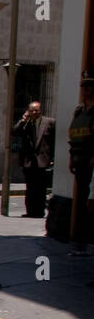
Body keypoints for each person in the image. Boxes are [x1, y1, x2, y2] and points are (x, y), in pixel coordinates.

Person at [13, 101, 56, 219]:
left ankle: (39, 211)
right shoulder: (26, 123)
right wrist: (23, 119)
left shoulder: (50, 122)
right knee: (30, 188)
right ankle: (30, 211)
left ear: (41, 110)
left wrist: (52, 158)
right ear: (28, 111)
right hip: (29, 162)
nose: (34, 112)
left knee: (41, 188)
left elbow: (53, 141)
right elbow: (15, 132)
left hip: (43, 161)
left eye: (36, 110)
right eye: (32, 110)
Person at [68, 76, 94, 256]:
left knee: (89, 202)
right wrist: (71, 158)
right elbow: (72, 135)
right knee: (82, 200)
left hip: (90, 161)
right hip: (79, 159)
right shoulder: (79, 111)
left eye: (89, 86)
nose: (85, 90)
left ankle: (86, 240)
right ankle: (80, 240)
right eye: (83, 86)